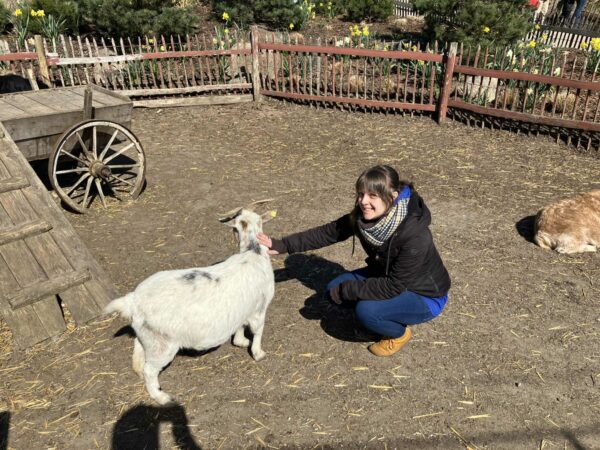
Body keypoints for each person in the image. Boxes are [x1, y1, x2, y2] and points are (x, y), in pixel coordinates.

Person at [257, 165, 451, 357]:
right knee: (333, 287)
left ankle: (398, 334)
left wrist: (348, 290)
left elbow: (394, 286)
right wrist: (283, 245)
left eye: (372, 196)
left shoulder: (415, 236)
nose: (363, 201)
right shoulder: (366, 218)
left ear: (392, 197)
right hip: (387, 275)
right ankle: (387, 313)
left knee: (366, 311)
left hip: (424, 293)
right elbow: (329, 232)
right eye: (361, 194)